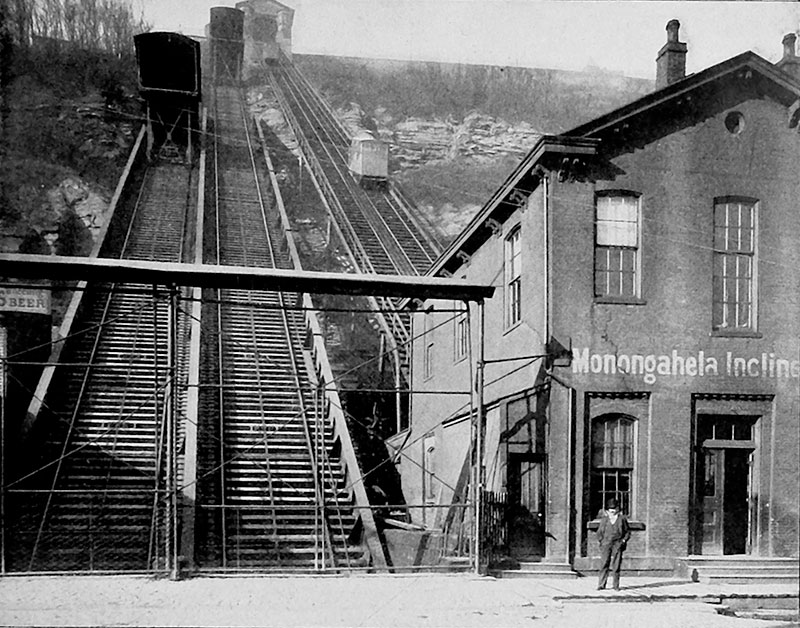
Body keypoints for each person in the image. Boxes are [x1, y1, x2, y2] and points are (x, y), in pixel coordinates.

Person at [596, 497, 631, 590]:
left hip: (617, 544)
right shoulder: (604, 520)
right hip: (606, 544)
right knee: (604, 564)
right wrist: (602, 541)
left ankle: (616, 586)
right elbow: (599, 532)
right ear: (607, 510)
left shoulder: (622, 519)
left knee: (616, 565)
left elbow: (627, 532)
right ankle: (601, 584)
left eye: (614, 509)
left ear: (617, 509)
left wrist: (623, 541)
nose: (612, 511)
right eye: (610, 509)